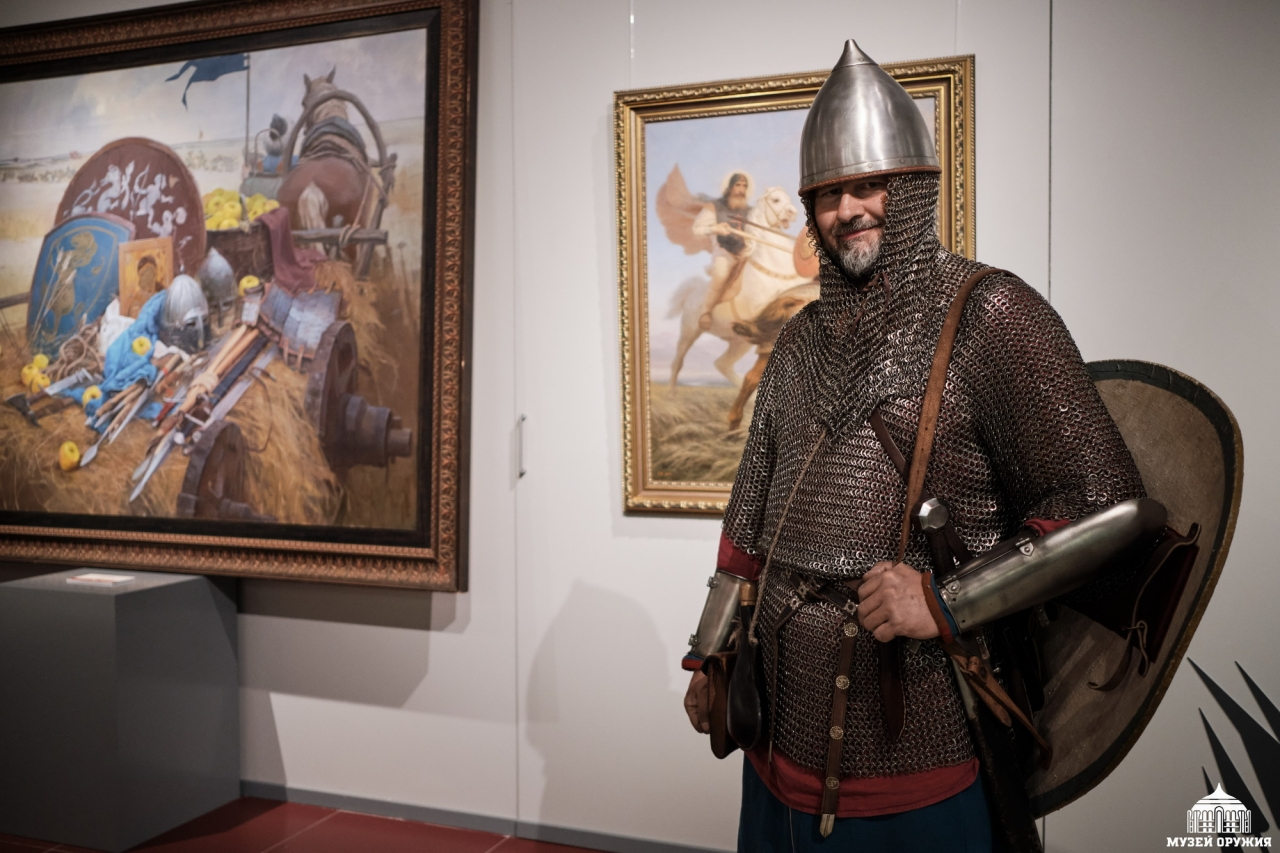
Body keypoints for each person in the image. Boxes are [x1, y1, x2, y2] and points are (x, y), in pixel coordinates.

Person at [682, 40, 1146, 852]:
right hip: (774, 743)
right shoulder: (800, 342)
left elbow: (1104, 505)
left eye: (869, 184)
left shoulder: (993, 315)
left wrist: (943, 601)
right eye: (828, 192)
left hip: (916, 759)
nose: (848, 209)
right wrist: (710, 652)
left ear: (913, 189)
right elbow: (747, 525)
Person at [693, 172, 755, 330]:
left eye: (744, 186)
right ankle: (705, 311)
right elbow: (697, 229)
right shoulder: (714, 207)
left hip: (746, 253)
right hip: (724, 251)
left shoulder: (749, 210)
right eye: (738, 185)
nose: (741, 190)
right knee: (720, 274)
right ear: (730, 187)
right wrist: (715, 228)